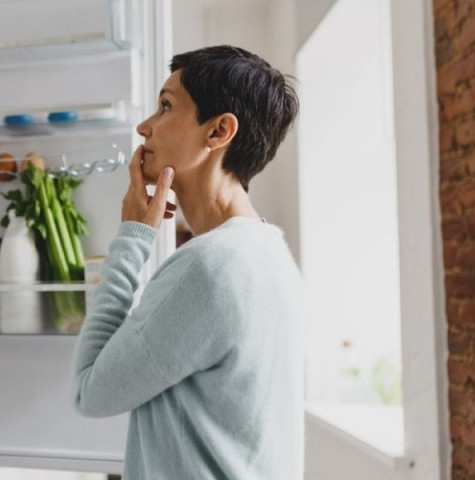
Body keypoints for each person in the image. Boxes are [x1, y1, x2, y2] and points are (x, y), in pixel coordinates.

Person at [70, 45, 305, 479]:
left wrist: (133, 237)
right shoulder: (270, 252)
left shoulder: (210, 268)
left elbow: (90, 390)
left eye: (165, 106)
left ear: (218, 132)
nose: (145, 127)